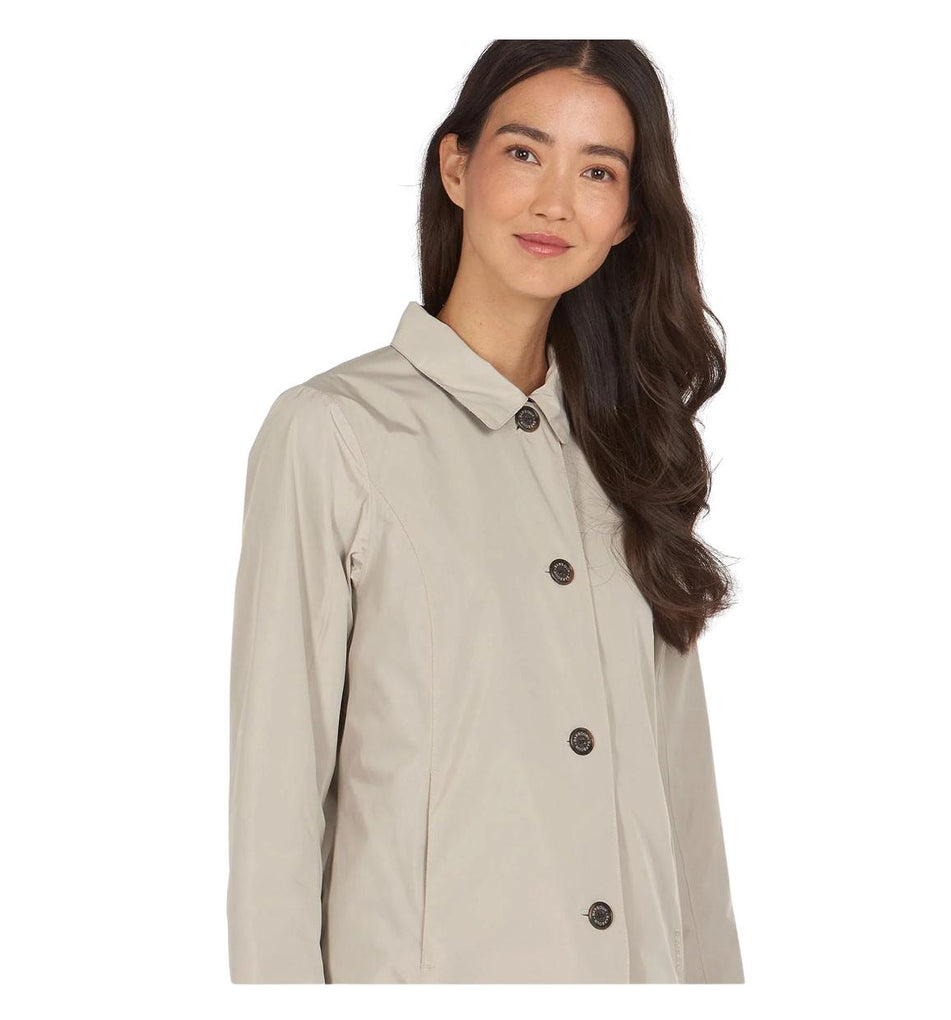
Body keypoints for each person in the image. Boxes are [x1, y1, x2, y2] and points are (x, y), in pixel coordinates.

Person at [227, 39, 744, 984]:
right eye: (524, 153)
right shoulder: (334, 432)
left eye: (598, 171)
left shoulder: (632, 453)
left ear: (629, 217)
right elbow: (275, 808)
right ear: (457, 166)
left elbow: (687, 813)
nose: (556, 202)